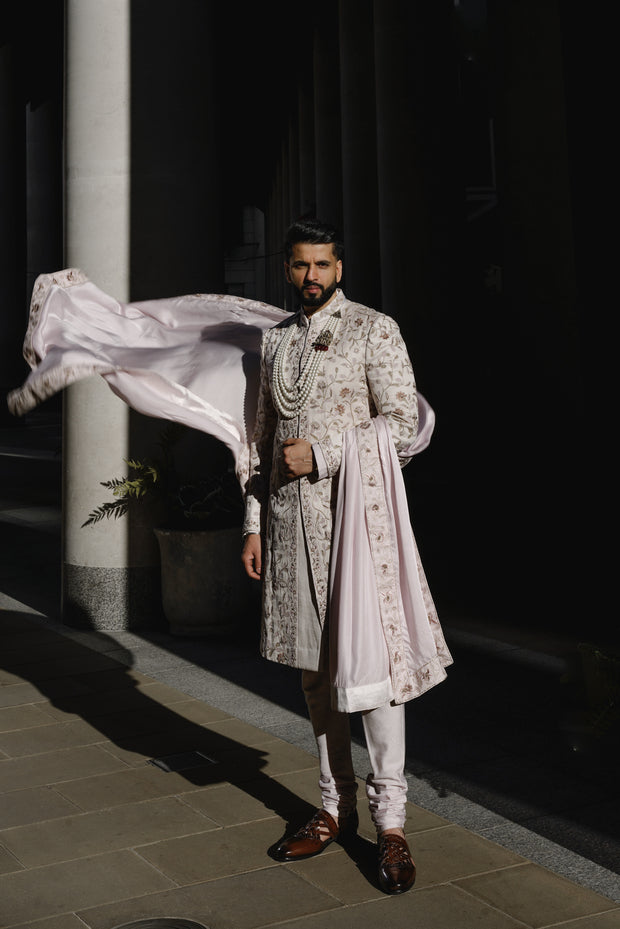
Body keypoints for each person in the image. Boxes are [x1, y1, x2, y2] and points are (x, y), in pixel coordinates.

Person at [241, 217, 452, 895]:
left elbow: (404, 421)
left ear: (341, 266)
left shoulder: (373, 328)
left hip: (354, 527)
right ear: (286, 268)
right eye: (301, 266)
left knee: (374, 676)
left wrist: (328, 453)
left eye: (322, 266)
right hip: (287, 526)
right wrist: (252, 523)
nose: (312, 278)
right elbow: (259, 440)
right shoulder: (273, 341)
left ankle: (391, 824)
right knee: (314, 675)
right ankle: (333, 808)